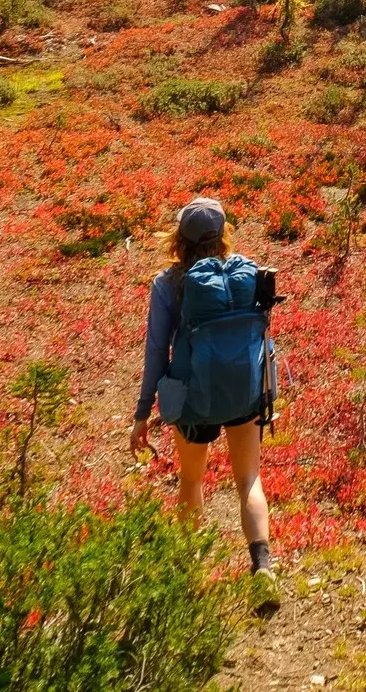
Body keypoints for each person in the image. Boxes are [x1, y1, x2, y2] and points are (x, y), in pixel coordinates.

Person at [129, 196, 282, 613]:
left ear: (179, 240)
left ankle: (188, 573)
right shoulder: (245, 273)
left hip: (194, 400)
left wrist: (143, 412)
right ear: (223, 234)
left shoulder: (167, 285)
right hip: (244, 393)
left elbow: (156, 352)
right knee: (249, 477)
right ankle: (263, 567)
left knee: (192, 481)